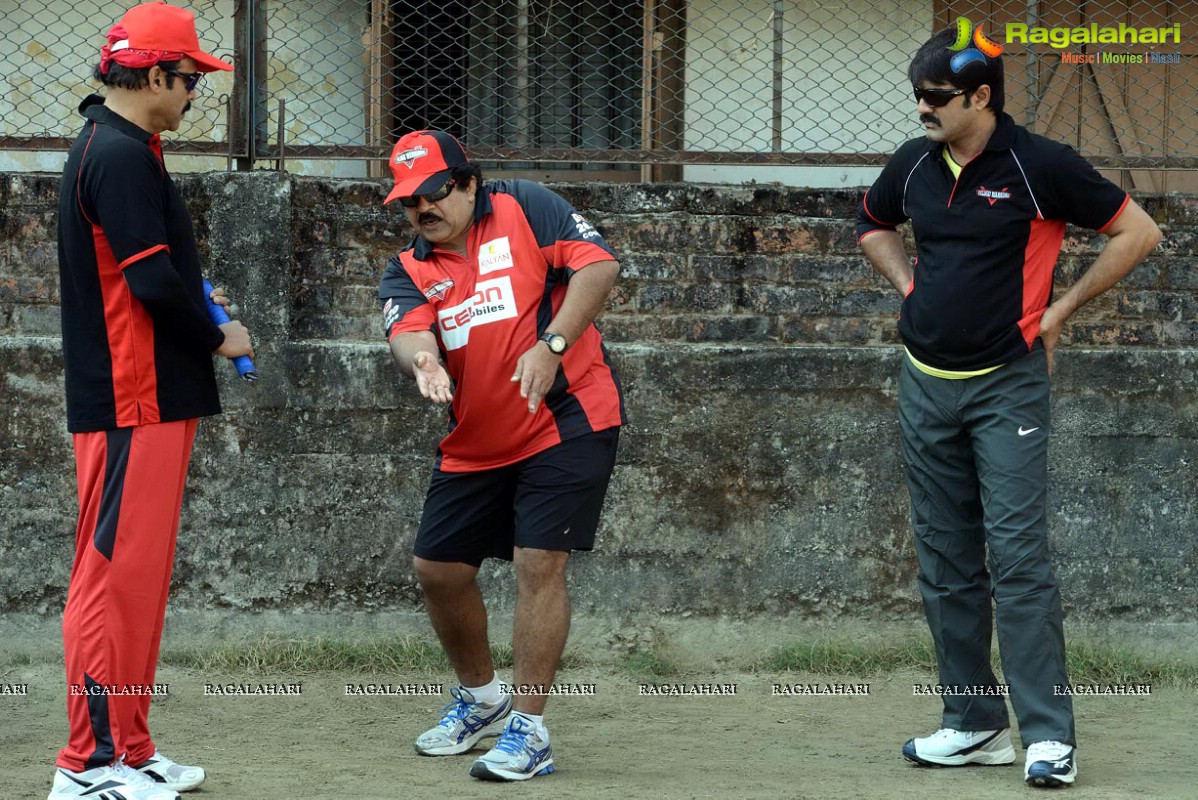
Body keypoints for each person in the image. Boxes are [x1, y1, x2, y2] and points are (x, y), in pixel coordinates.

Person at [857, 27, 1161, 789]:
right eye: (917, 95)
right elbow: (873, 223)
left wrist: (1058, 314)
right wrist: (908, 288)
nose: (922, 109)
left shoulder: (1041, 165)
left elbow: (1137, 231)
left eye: (936, 98)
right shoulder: (916, 161)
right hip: (924, 380)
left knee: (1019, 561)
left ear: (982, 97)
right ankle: (973, 724)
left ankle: (1049, 736)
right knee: (947, 560)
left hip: (1006, 383)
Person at [50, 3, 254, 800]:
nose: (195, 92)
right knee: (106, 580)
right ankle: (87, 765)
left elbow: (155, 270)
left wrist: (197, 308)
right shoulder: (120, 153)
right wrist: (218, 333)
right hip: (131, 399)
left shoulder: (129, 145)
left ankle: (129, 747)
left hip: (151, 399)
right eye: (190, 78)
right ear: (155, 75)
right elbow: (150, 282)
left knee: (134, 581)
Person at [377, 129, 624, 782]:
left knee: (537, 560)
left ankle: (530, 729)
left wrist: (553, 344)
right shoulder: (408, 266)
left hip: (565, 420)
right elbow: (406, 333)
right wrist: (423, 358)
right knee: (437, 570)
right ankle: (483, 698)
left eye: (431, 195)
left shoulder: (526, 206)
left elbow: (599, 265)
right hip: (475, 441)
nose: (421, 212)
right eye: (408, 203)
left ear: (466, 183)